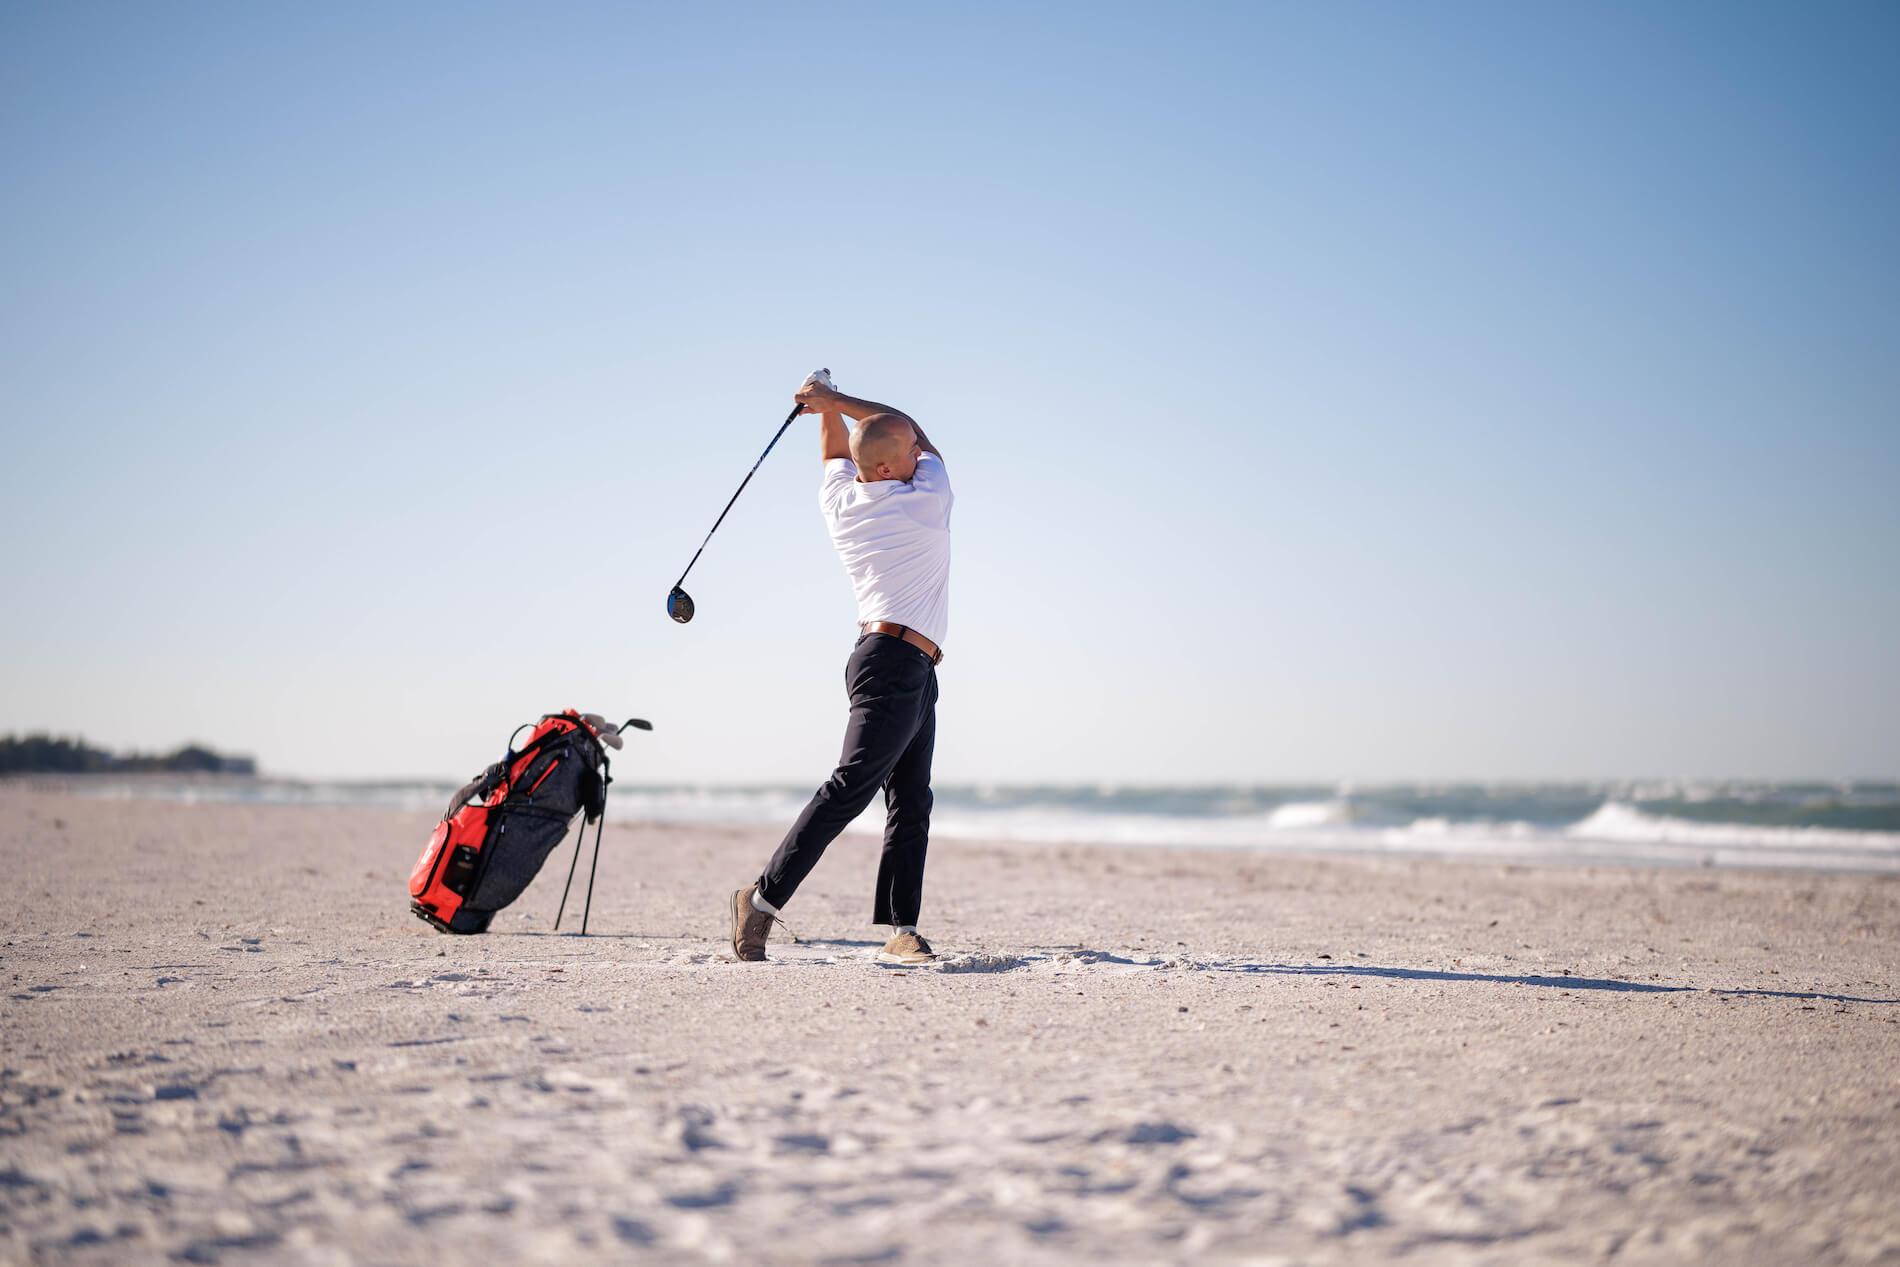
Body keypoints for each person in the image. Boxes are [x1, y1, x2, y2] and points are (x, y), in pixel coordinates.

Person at [730, 374, 952, 965]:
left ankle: (903, 927)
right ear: (884, 470)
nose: (918, 454)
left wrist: (821, 405)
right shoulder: (925, 500)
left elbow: (835, 454)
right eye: (906, 454)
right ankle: (761, 899)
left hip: (902, 663)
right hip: (891, 662)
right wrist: (836, 403)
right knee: (851, 786)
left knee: (912, 797)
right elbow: (913, 432)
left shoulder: (841, 500)